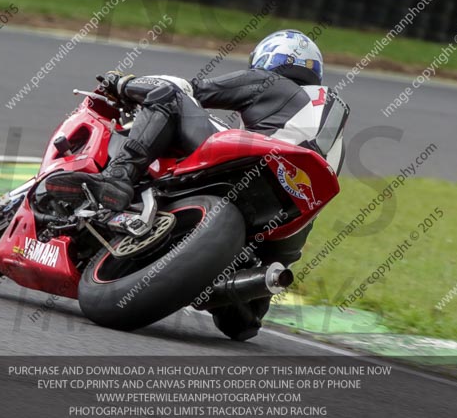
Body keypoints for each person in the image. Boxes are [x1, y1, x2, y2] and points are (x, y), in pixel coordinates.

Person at [36, 29, 349, 340]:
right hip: (292, 210)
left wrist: (123, 83)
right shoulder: (332, 125)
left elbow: (188, 89)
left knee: (169, 96)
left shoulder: (270, 83)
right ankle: (243, 299)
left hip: (255, 161)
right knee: (245, 322)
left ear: (269, 58)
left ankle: (118, 177)